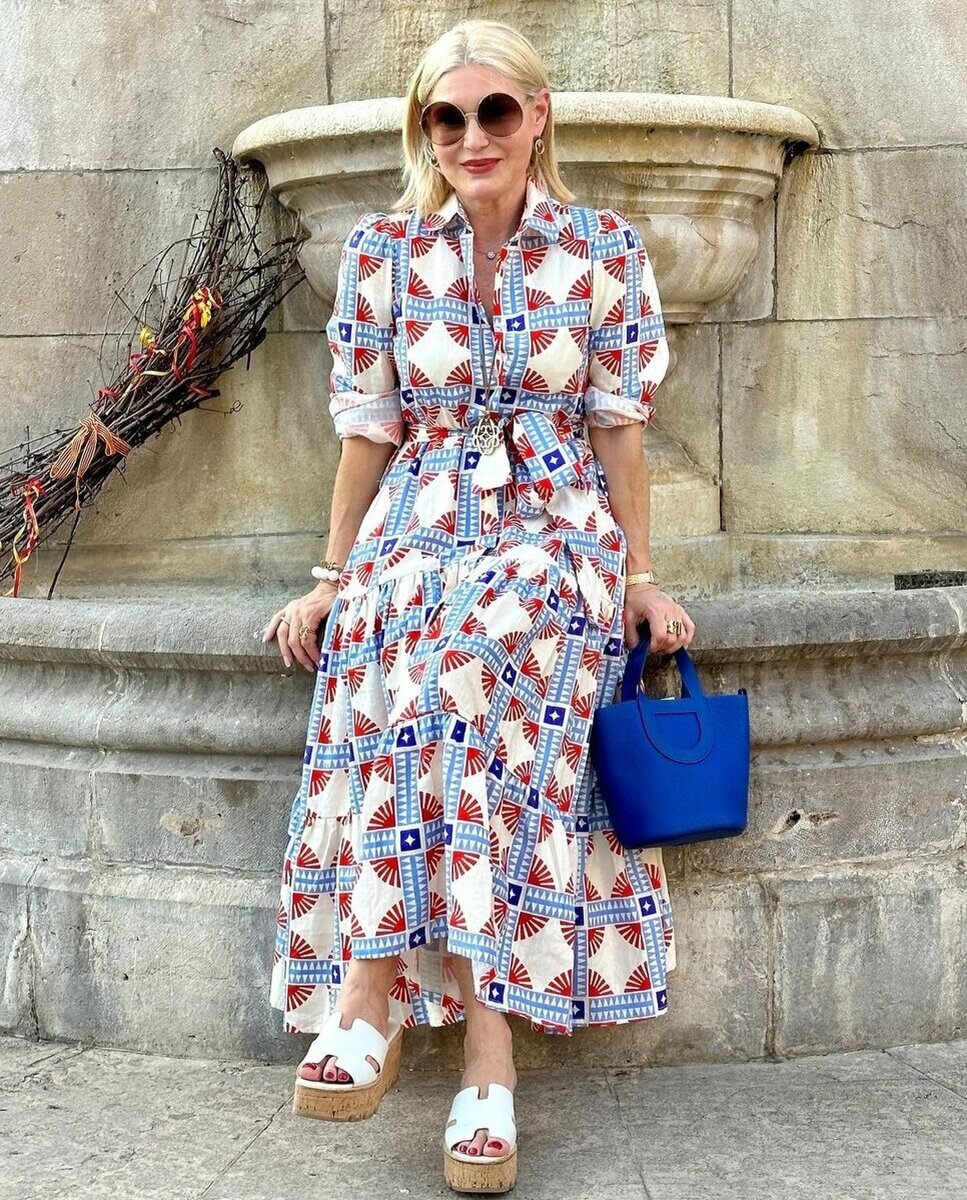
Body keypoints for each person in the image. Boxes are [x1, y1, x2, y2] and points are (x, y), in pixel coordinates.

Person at [262, 18, 695, 1194]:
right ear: (425, 131)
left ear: (536, 115)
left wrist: (639, 576)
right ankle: (463, 1053)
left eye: (493, 110)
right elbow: (368, 434)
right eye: (444, 117)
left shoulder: (603, 247)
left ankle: (382, 1003)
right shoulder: (384, 250)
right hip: (420, 515)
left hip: (554, 524)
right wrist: (331, 577)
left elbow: (618, 430)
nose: (470, 136)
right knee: (402, 636)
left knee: (474, 644)